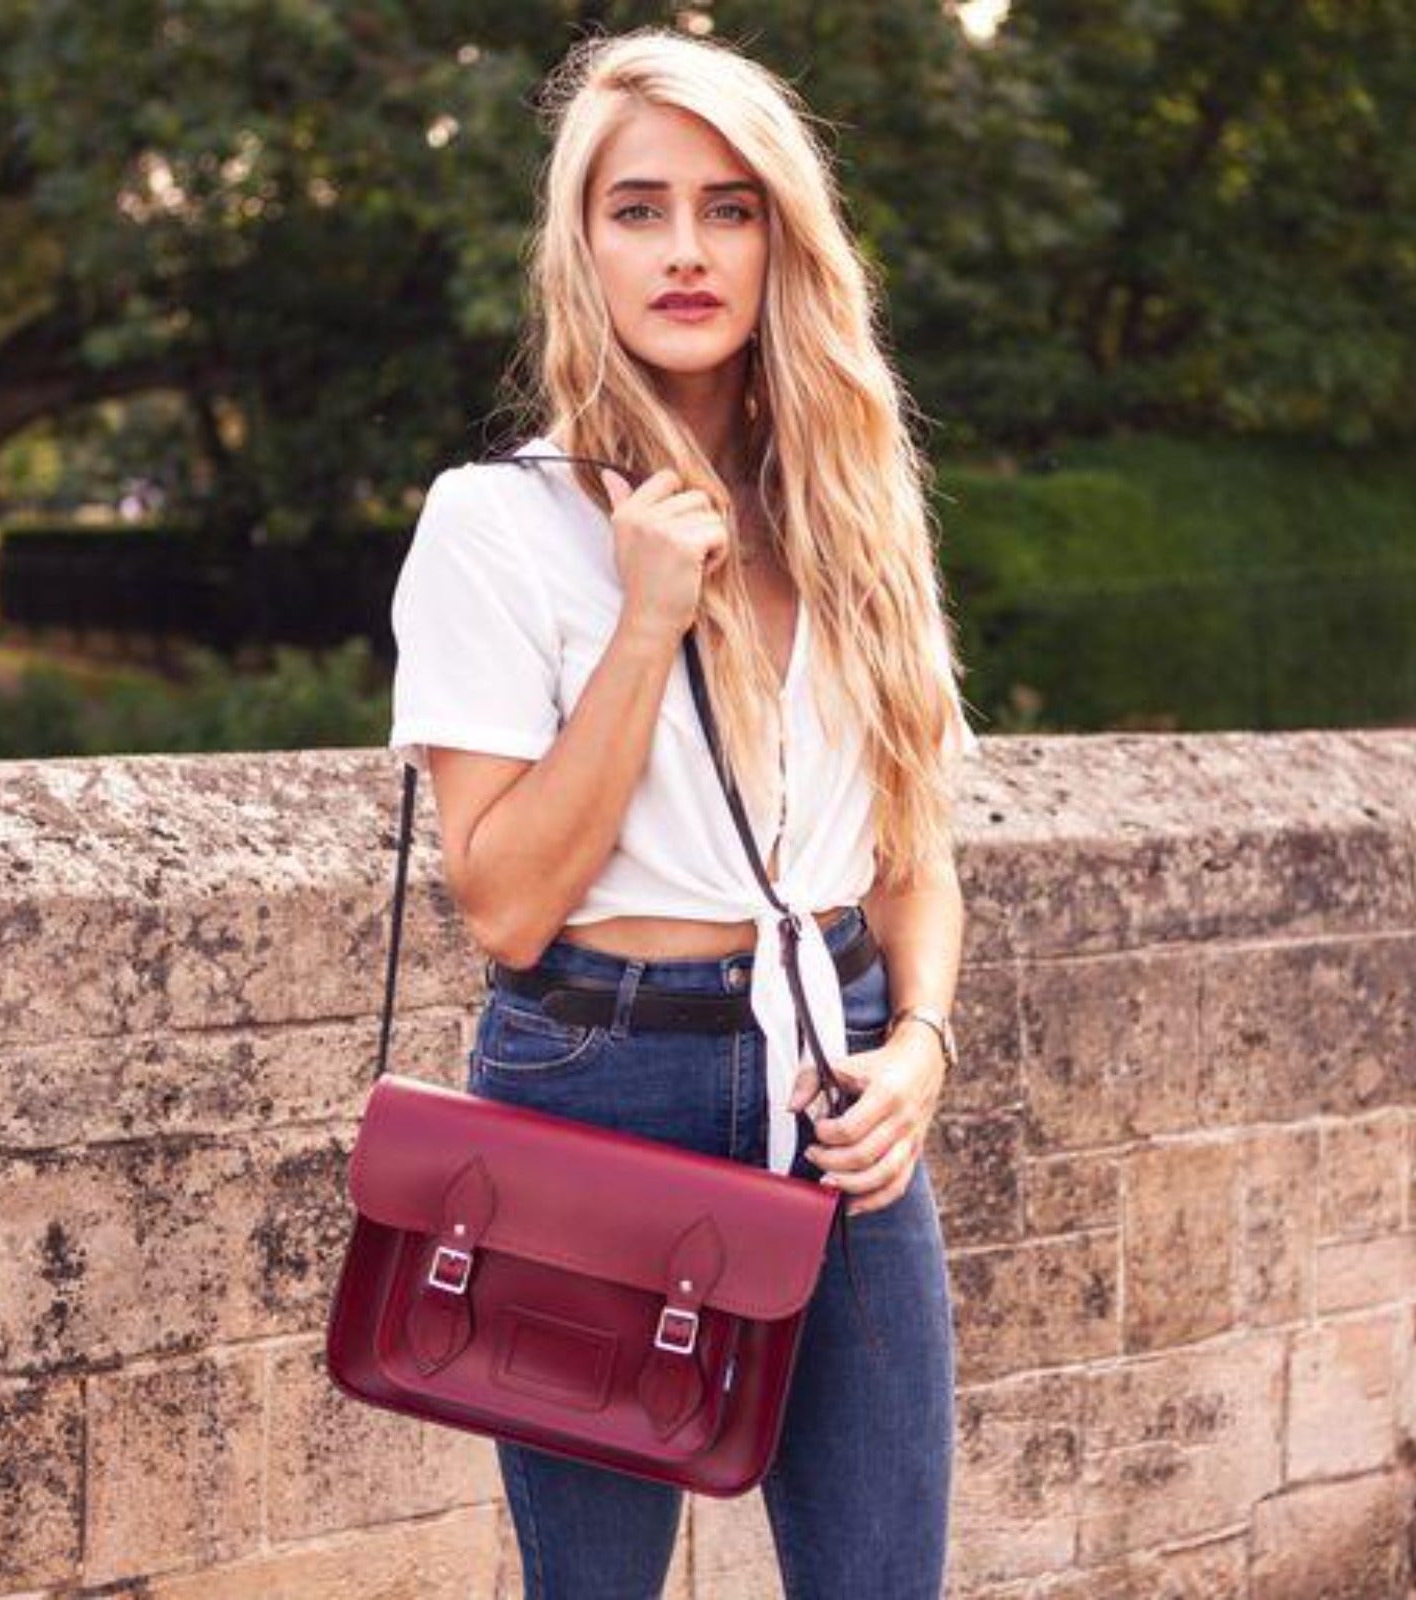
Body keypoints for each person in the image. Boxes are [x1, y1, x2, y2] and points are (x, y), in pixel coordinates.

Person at [389, 25, 974, 1599]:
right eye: (636, 208)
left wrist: (920, 1043)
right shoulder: (496, 526)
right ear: (581, 245)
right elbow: (505, 905)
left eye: (730, 206)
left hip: (839, 1096)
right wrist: (647, 621)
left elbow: (911, 850)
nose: (687, 249)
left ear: (787, 234)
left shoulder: (856, 513)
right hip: (597, 1083)